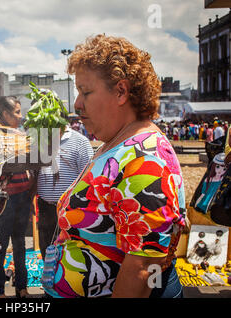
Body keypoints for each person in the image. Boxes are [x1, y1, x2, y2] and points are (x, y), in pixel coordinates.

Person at [42, 34, 186, 298]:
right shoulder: (117, 142)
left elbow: (142, 268)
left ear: (121, 91)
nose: (76, 104)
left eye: (86, 92)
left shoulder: (146, 159)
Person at [0, 96, 33, 298]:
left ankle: (21, 287)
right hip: (5, 201)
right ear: (5, 115)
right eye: (16, 112)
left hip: (24, 198)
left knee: (21, 244)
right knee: (0, 246)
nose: (21, 116)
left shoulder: (23, 135)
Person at [36, 120, 93, 260]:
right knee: (46, 248)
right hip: (45, 207)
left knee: (69, 252)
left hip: (70, 208)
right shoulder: (41, 140)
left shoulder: (80, 142)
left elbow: (89, 176)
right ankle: (49, 279)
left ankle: (64, 280)